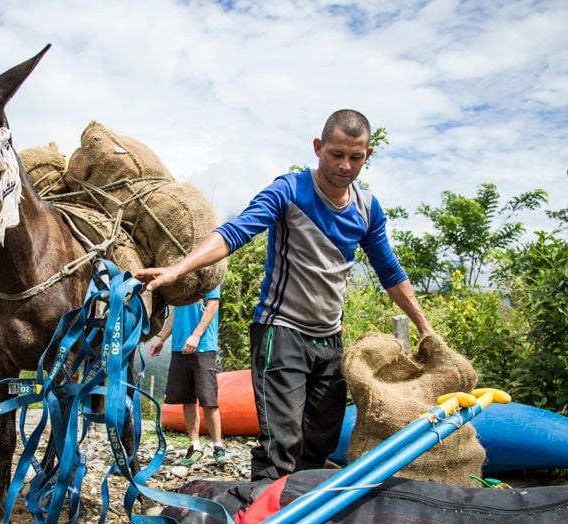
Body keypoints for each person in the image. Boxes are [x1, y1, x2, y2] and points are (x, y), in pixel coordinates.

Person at [137, 109, 434, 481]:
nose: (345, 165)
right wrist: (180, 267)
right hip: (281, 333)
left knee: (319, 442)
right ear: (317, 148)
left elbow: (389, 271)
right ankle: (262, 518)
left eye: (355, 157)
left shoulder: (367, 208)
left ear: (367, 156)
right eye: (335, 154)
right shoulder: (290, 191)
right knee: (283, 443)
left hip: (329, 340)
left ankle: (301, 522)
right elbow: (236, 231)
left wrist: (426, 327)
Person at [150, 286, 226, 466]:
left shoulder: (209, 278)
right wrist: (161, 339)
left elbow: (213, 305)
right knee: (187, 400)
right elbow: (175, 312)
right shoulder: (184, 280)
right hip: (179, 347)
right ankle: (195, 446)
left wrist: (196, 335)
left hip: (203, 346)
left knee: (209, 400)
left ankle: (218, 446)